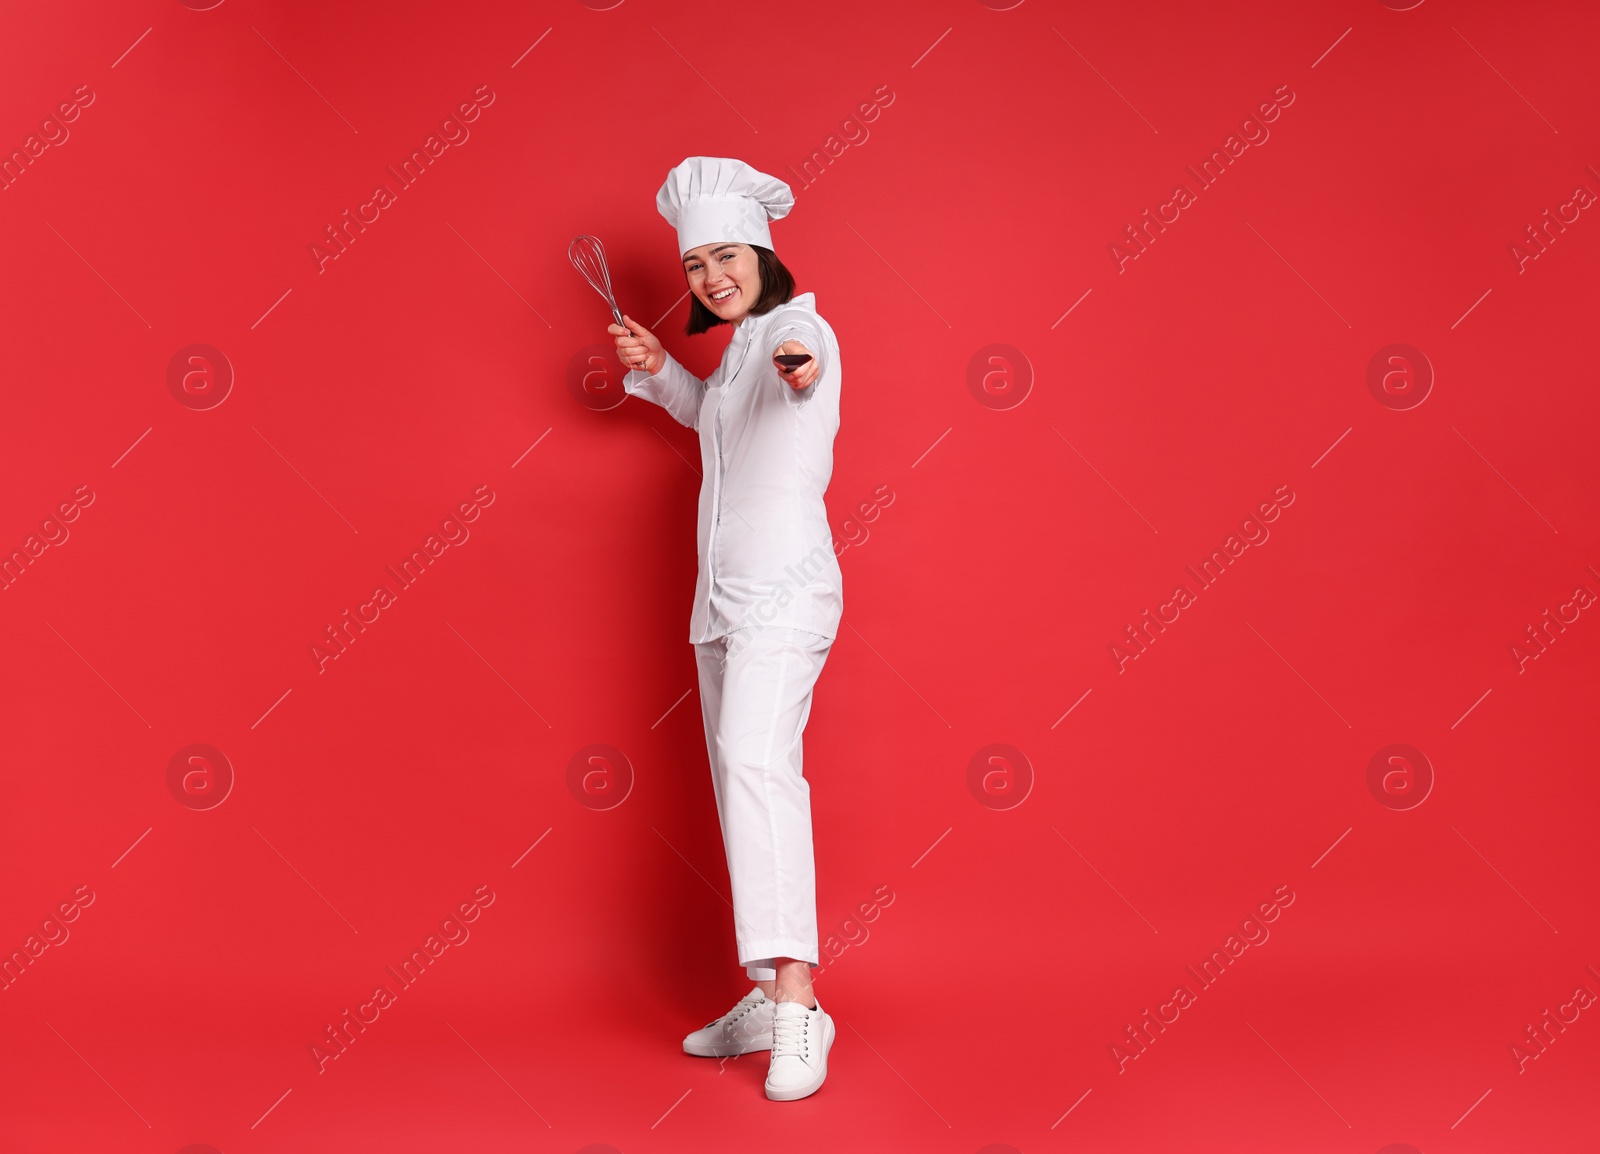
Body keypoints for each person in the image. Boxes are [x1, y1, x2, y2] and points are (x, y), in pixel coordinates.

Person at [608, 156, 843, 1102]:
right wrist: (666, 371)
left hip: (784, 600)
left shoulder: (792, 328)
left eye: (727, 255)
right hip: (723, 606)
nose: (710, 276)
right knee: (732, 777)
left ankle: (799, 1002)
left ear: (764, 253)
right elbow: (718, 419)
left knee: (757, 765)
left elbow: (804, 365)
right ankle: (761, 988)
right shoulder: (737, 350)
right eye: (696, 262)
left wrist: (800, 363)